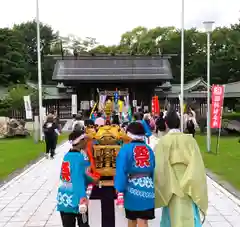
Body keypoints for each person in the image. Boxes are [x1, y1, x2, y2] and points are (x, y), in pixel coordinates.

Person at [154, 109, 208, 227]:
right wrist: (188, 182)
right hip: (188, 184)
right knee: (190, 216)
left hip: (170, 186)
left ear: (166, 124)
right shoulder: (190, 140)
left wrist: (170, 184)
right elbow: (197, 165)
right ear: (179, 123)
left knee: (171, 217)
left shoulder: (163, 142)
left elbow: (160, 168)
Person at [114, 122, 155, 227]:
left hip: (132, 189)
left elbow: (121, 170)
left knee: (131, 220)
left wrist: (119, 188)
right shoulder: (149, 149)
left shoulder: (125, 150)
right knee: (144, 221)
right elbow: (153, 169)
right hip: (148, 187)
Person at [57, 130, 99, 227]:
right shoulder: (80, 158)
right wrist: (83, 198)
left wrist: (91, 179)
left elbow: (67, 176)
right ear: (80, 142)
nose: (86, 142)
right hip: (77, 199)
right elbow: (80, 178)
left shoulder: (67, 156)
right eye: (85, 140)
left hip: (64, 198)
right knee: (83, 224)